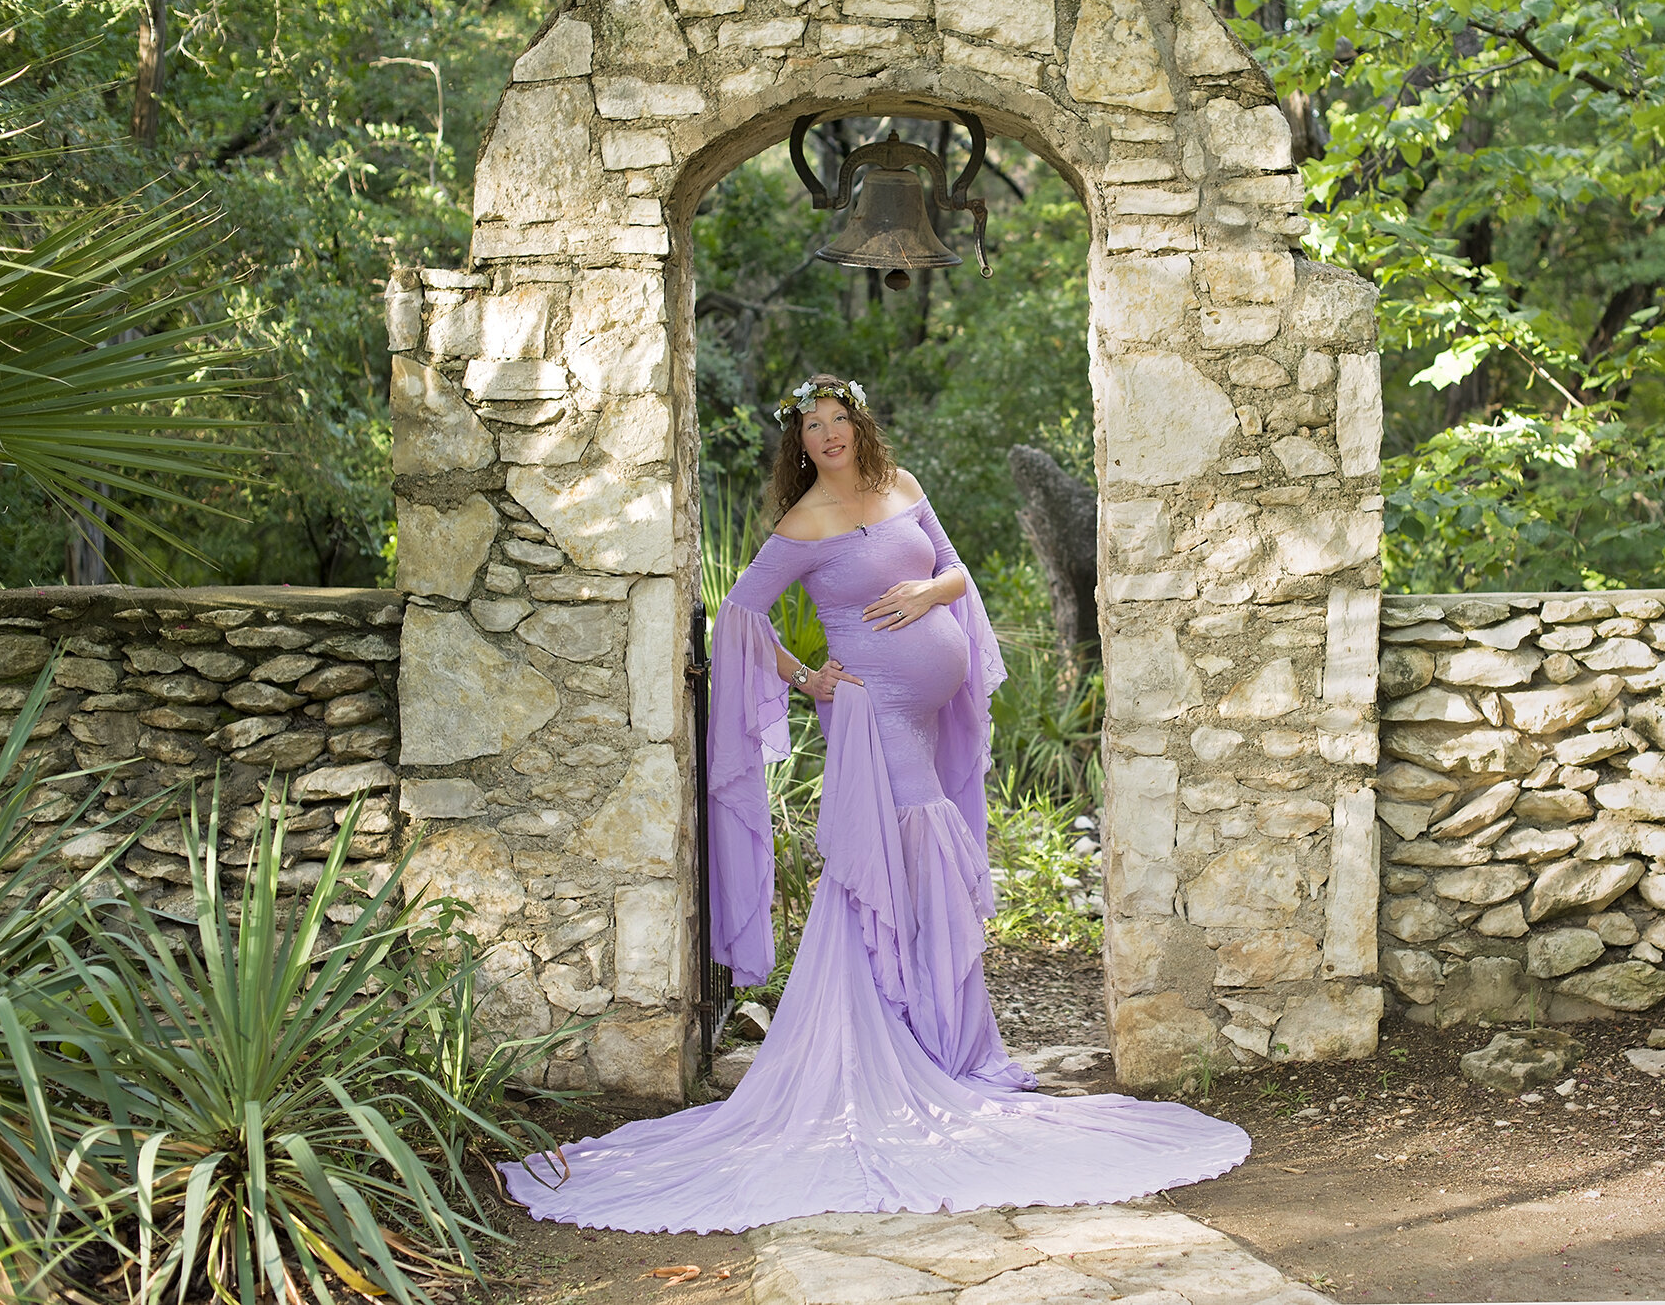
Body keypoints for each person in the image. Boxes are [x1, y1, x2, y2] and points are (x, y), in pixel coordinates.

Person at [501, 374, 1248, 1234]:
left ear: (859, 425)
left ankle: (931, 1034)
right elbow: (742, 614)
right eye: (811, 427)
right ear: (799, 441)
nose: (827, 436)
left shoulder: (902, 487)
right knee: (892, 855)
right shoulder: (803, 523)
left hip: (922, 714)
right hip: (869, 714)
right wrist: (809, 677)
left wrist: (928, 595)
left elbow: (957, 571)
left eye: (837, 421)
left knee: (914, 851)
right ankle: (894, 1040)